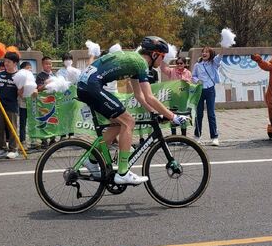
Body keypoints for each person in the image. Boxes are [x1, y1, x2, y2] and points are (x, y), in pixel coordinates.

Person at [76, 36, 189, 185]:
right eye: (162, 56)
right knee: (129, 121)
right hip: (92, 86)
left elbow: (139, 95)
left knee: (118, 125)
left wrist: (155, 113)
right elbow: (150, 97)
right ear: (154, 55)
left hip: (87, 85)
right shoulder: (140, 63)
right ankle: (122, 172)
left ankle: (91, 160)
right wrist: (173, 116)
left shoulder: (136, 62)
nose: (163, 60)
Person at [191, 47, 222, 146]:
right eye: (203, 52)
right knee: (199, 114)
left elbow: (220, 56)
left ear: (211, 54)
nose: (204, 53)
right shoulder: (197, 65)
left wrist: (224, 46)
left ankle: (214, 137)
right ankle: (197, 136)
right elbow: (193, 76)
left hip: (210, 90)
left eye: (207, 52)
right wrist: (197, 81)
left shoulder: (214, 63)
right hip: (199, 90)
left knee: (211, 114)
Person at [0, 52, 21, 159]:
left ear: (15, 63)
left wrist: (22, 88)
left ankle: (14, 149)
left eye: (8, 62)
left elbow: (21, 94)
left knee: (12, 128)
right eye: (5, 61)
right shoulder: (0, 74)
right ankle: (2, 148)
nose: (6, 63)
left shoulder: (18, 76)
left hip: (11, 105)